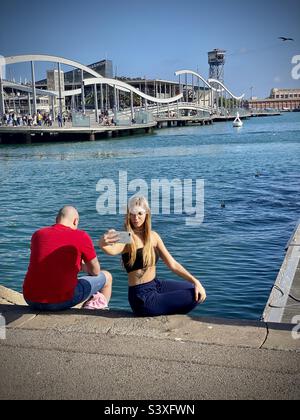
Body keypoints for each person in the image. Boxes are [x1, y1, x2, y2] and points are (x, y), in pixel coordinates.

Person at [99, 196, 206, 317]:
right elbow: (111, 250)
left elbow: (173, 264)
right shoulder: (126, 236)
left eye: (140, 213)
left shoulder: (153, 236)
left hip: (155, 285)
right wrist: (103, 241)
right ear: (128, 215)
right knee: (193, 296)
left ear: (147, 214)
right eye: (132, 214)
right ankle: (160, 309)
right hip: (141, 297)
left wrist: (196, 281)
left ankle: (163, 308)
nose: (136, 218)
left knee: (194, 288)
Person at [23, 206, 113, 311]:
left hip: (30, 299)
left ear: (57, 219)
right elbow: (95, 271)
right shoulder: (81, 236)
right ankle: (96, 309)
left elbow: (47, 264)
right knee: (107, 277)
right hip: (58, 302)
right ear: (75, 221)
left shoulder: (38, 234)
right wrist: (84, 267)